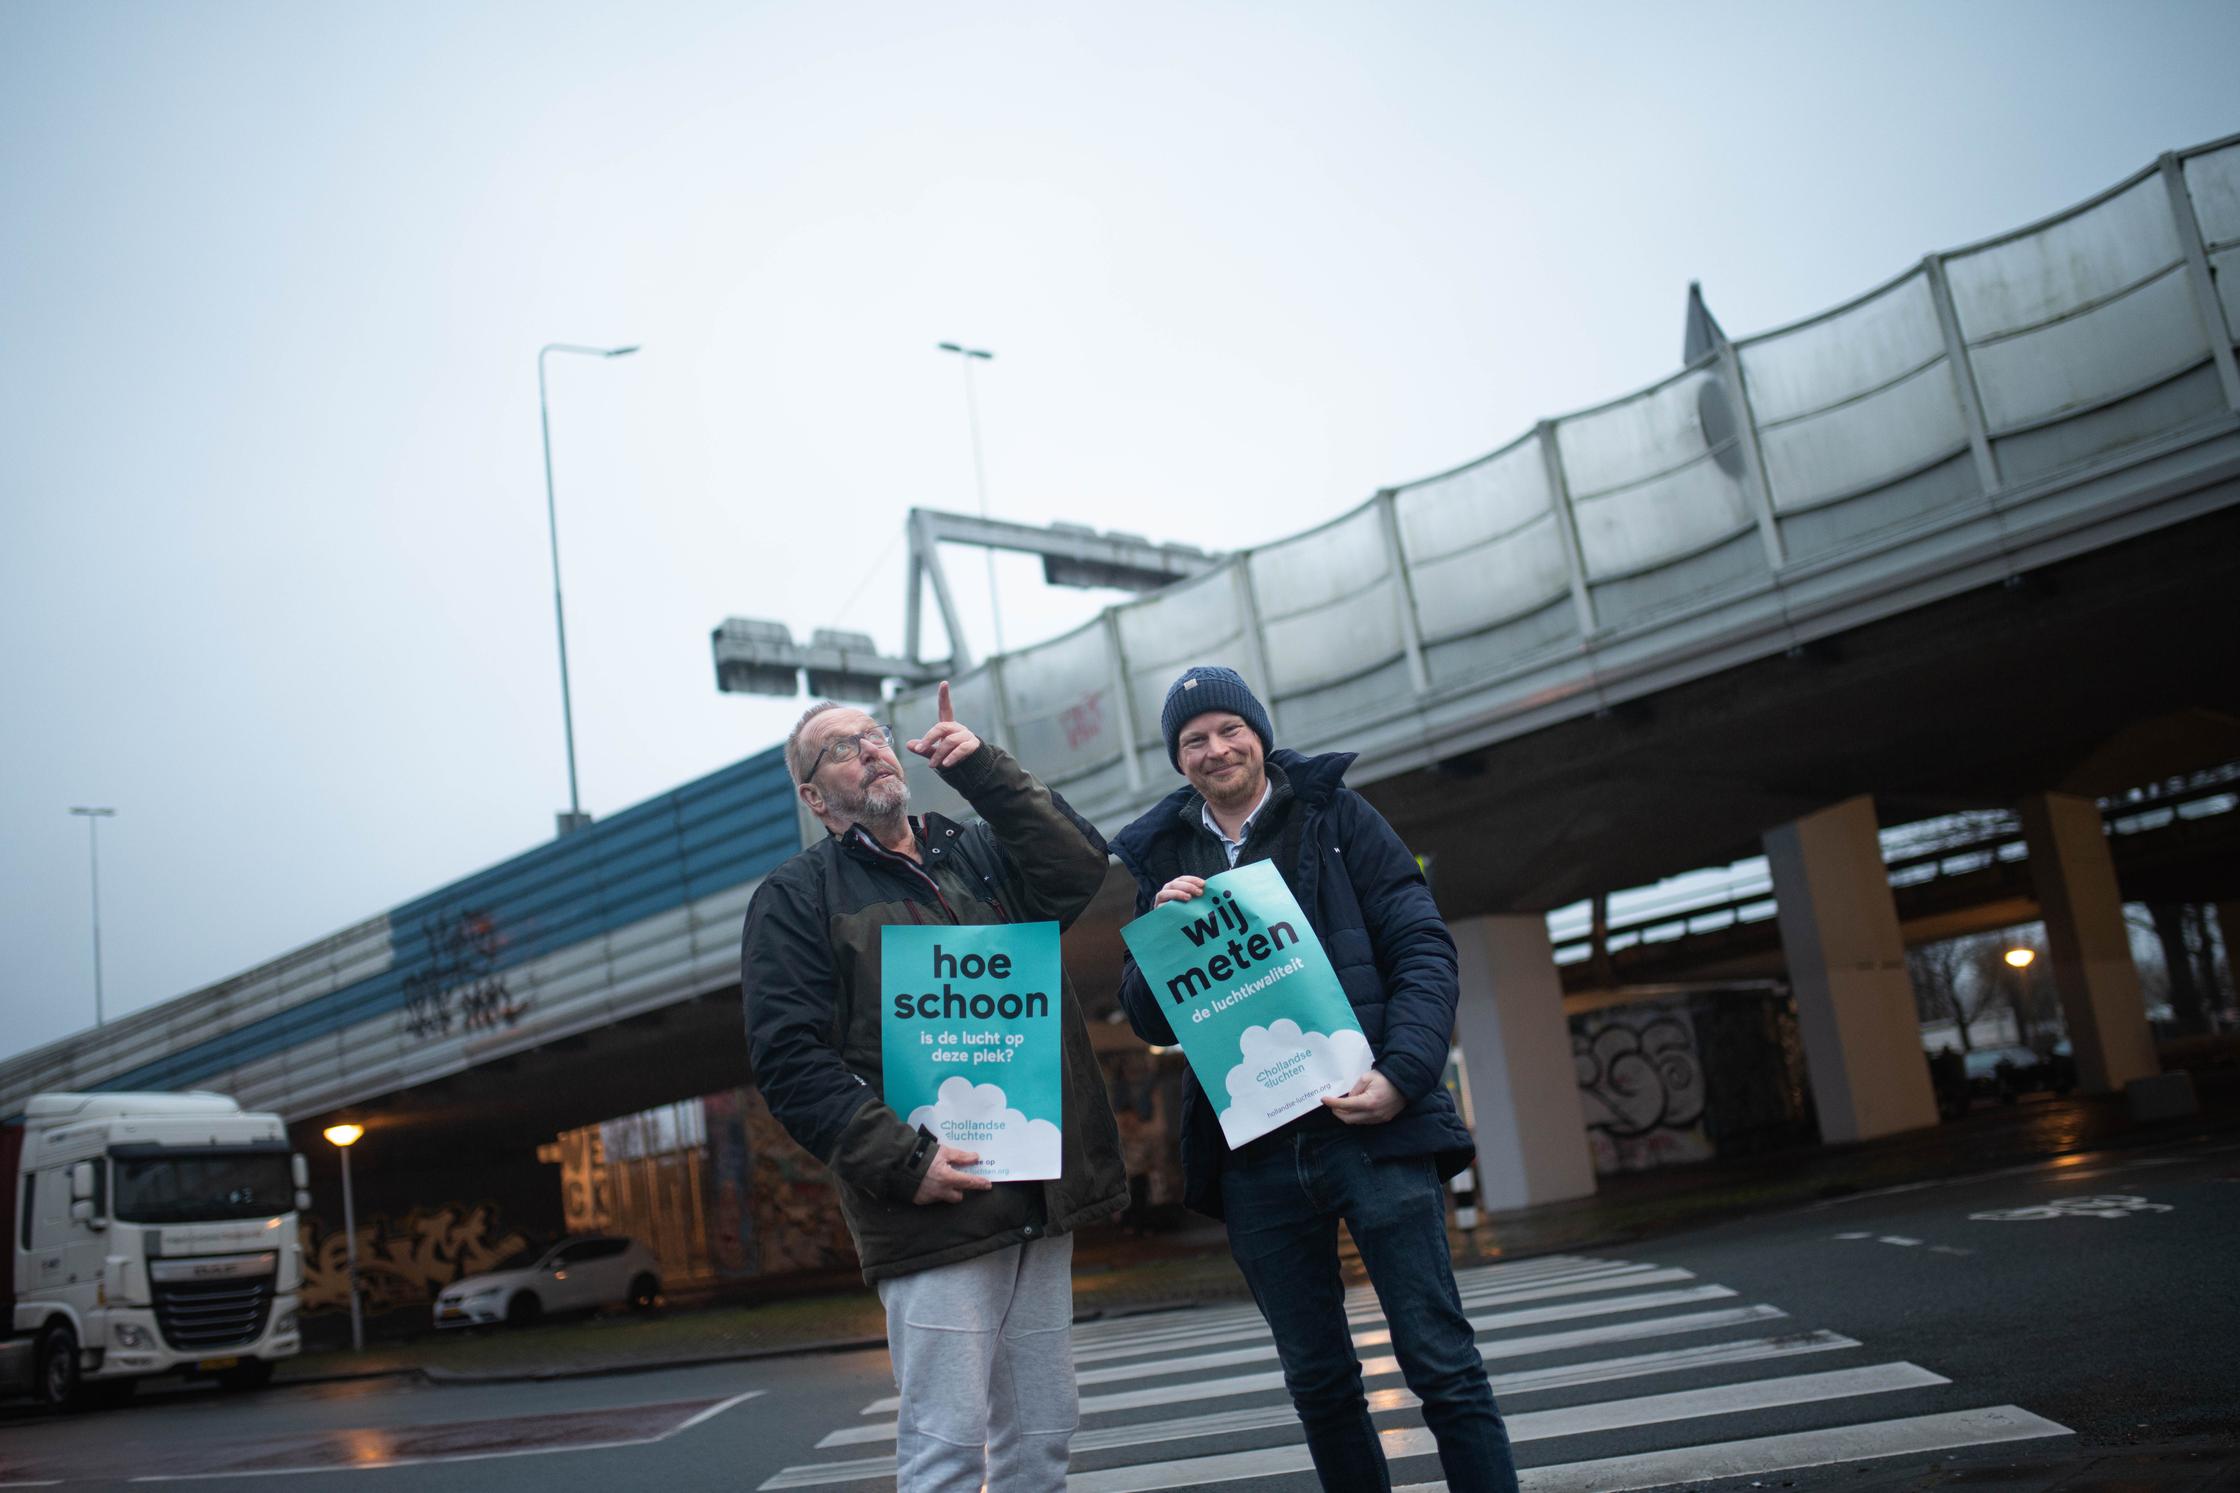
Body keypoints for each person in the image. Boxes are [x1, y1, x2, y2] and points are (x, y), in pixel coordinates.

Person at [1111, 665, 1520, 1493]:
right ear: (1178, 758)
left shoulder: (1339, 815)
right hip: (1257, 1157)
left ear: (1258, 732)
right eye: (1195, 739)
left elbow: (1422, 947)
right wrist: (1158, 936)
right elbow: (1151, 1021)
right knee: (1321, 1387)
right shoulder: (1163, 853)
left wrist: (1404, 1075)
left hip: (1370, 1127)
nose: (1217, 747)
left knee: (1441, 1362)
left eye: (1230, 729)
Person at [742, 683, 1129, 1493]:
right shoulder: (797, 897)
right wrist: (905, 1160)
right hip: (931, 1209)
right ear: (814, 797)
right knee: (947, 1453)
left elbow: (1078, 866)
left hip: (1036, 1192)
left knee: (1043, 1439)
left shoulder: (979, 854)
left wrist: (984, 770)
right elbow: (790, 1060)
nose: (871, 748)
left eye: (874, 733)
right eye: (840, 748)